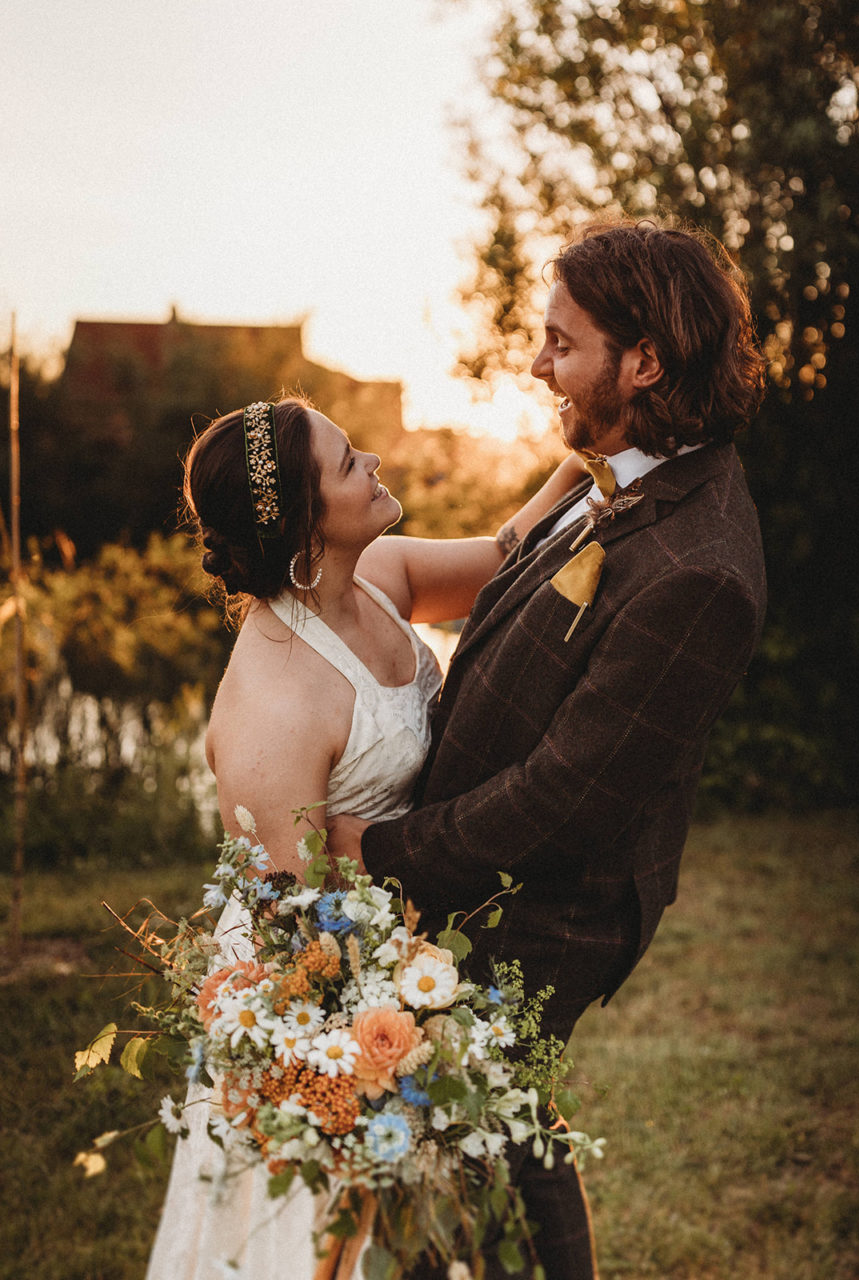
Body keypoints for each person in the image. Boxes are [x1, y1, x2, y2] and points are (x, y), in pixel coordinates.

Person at [331, 216, 768, 1278]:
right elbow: (512, 583)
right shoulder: (608, 472)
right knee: (491, 1136)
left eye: (559, 342)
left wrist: (384, 850)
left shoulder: (697, 567)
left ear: (645, 361)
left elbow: (569, 792)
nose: (536, 365)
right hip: (488, 870)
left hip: (555, 899)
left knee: (472, 1130)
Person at [145, 395, 587, 1280]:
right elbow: (299, 929)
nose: (375, 461)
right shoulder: (272, 703)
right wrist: (409, 1036)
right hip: (340, 992)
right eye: (350, 464)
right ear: (309, 524)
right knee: (375, 1231)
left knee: (514, 1193)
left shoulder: (379, 574)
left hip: (427, 924)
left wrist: (582, 461)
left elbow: (506, 559)